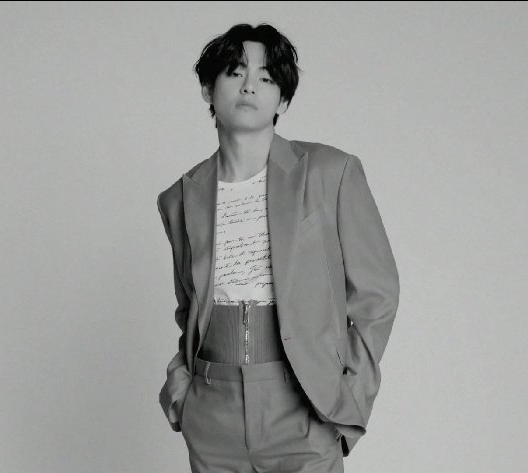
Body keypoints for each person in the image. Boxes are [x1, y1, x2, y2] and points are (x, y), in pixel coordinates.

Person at [156, 22, 400, 473]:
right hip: (212, 414)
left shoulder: (330, 172)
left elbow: (376, 295)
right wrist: (183, 395)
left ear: (283, 100)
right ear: (208, 89)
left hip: (303, 409)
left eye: (266, 77)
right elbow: (189, 308)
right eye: (235, 72)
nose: (249, 85)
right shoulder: (180, 198)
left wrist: (348, 401)